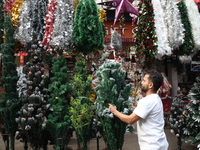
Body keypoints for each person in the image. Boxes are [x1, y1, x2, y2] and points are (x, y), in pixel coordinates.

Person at [109, 70, 169, 150]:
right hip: (159, 143)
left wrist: (114, 111)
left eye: (144, 80)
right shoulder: (155, 98)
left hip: (151, 145)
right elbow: (145, 112)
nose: (141, 83)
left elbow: (130, 120)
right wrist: (132, 107)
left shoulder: (147, 101)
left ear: (150, 85)